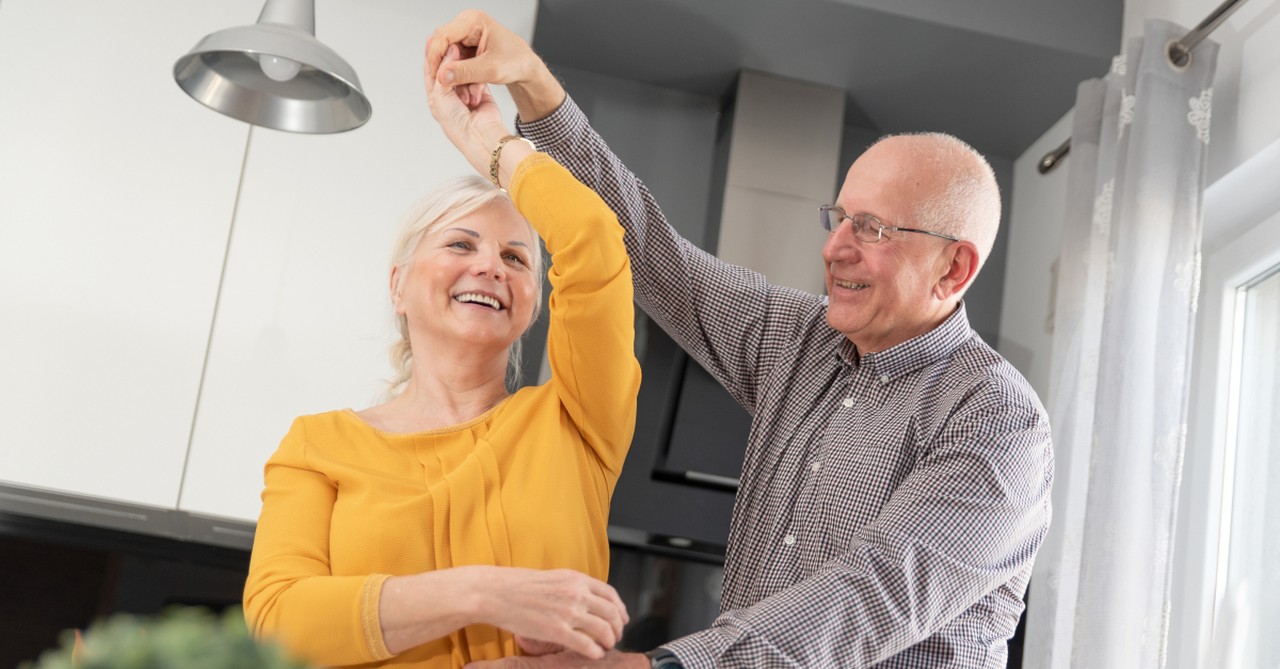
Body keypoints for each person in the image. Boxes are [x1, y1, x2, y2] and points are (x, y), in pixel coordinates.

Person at [426, 11, 1054, 669]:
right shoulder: (802, 341)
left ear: (954, 267)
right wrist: (531, 86)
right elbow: (650, 250)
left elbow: (871, 595)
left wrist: (648, 666)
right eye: (838, 218)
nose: (834, 246)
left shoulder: (996, 418)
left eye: (871, 228)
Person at [242, 43, 644, 668]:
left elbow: (592, 238)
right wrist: (482, 592)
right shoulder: (316, 447)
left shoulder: (575, 423)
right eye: (461, 244)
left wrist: (488, 140)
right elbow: (279, 623)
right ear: (399, 285)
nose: (489, 264)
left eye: (516, 258)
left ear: (534, 304)